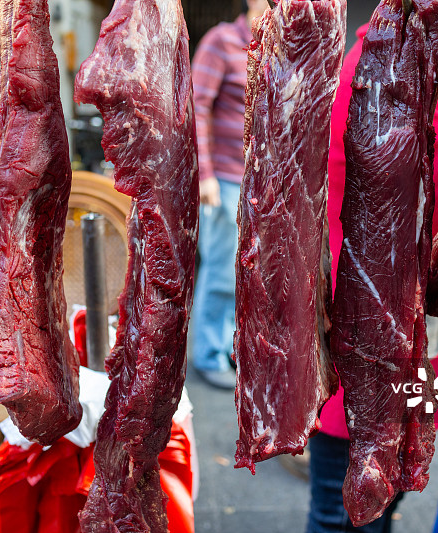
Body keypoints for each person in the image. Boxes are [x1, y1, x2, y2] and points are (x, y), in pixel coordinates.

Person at [304, 24, 438, 533]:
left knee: (384, 498)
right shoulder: (394, 74)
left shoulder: (409, 66)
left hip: (410, 343)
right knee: (347, 513)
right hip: (369, 350)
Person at [189, 0, 269, 390]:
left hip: (262, 184)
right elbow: (196, 106)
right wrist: (204, 177)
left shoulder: (278, 44)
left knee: (253, 274)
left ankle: (234, 349)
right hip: (223, 179)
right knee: (222, 270)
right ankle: (208, 355)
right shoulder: (222, 41)